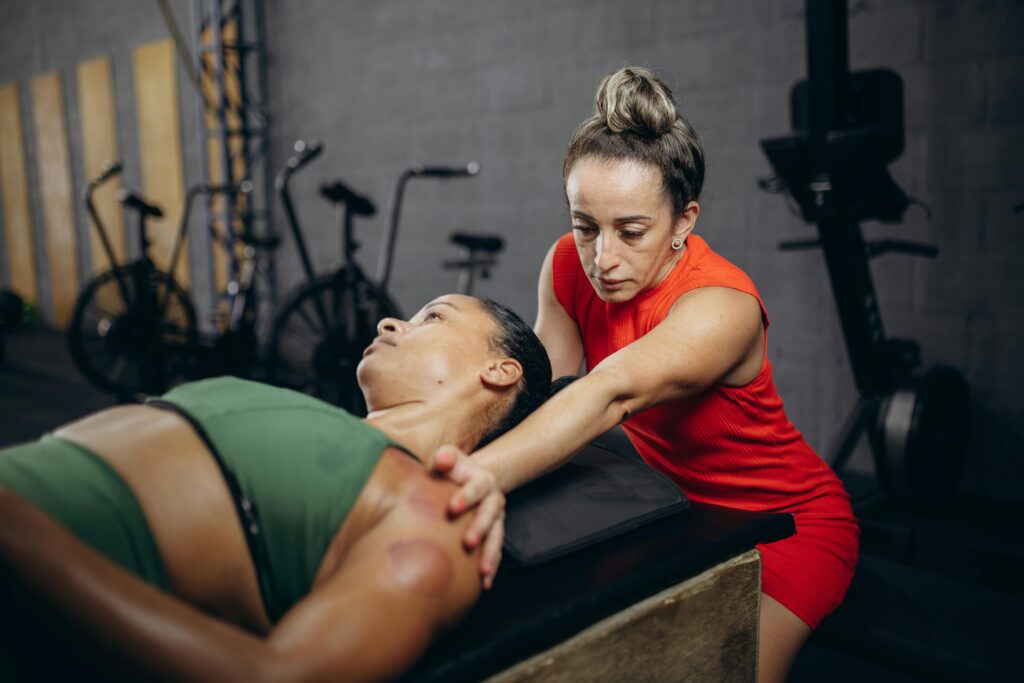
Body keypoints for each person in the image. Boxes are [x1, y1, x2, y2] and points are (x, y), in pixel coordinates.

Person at [435, 67, 860, 683]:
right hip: (678, 513)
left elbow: (607, 393)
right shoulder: (566, 266)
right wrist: (423, 444)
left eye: (631, 232)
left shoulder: (722, 306)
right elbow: (538, 389)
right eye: (585, 226)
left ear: (684, 221)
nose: (603, 259)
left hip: (788, 521)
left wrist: (467, 481)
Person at [0, 294, 551, 682]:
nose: (388, 323)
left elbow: (276, 675)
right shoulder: (316, 422)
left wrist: (16, 527)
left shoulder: (439, 516)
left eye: (432, 316)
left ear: (500, 372)